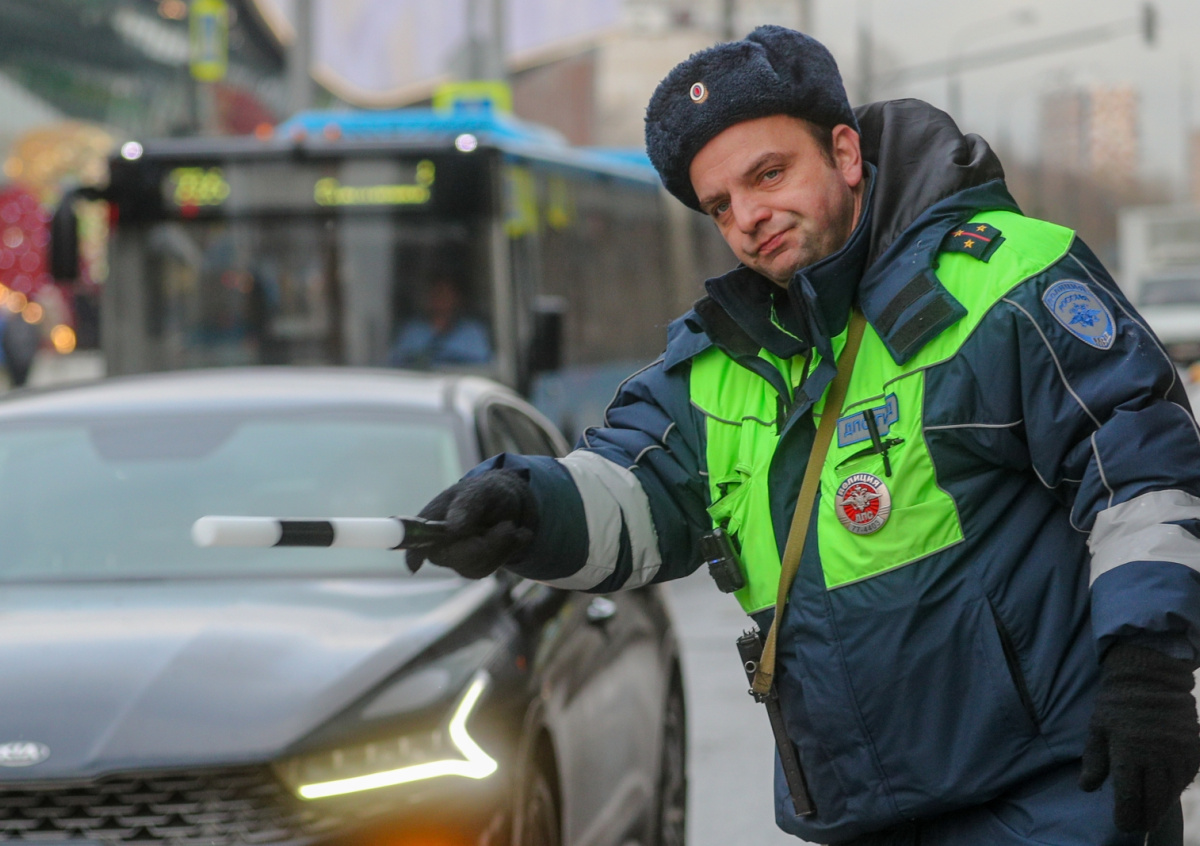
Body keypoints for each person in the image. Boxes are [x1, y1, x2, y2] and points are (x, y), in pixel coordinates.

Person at [407, 26, 1200, 846]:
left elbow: (1142, 472)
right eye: (721, 205)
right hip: (863, 821)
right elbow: (637, 494)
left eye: (768, 174)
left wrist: (1148, 672)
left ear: (845, 154)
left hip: (1056, 801)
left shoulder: (1004, 281)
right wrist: (528, 507)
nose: (749, 217)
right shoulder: (720, 366)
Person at [387, 275, 491, 368]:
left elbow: (484, 366)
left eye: (446, 294)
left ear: (456, 298)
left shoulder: (472, 332)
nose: (441, 299)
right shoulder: (413, 331)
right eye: (436, 294)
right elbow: (396, 364)